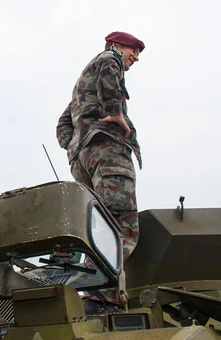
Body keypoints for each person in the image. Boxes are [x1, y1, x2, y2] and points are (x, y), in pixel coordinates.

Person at [56, 31, 145, 262]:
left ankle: (89, 286)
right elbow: (108, 64)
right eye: (132, 50)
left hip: (83, 159)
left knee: (95, 225)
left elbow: (63, 122)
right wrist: (115, 113)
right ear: (115, 45)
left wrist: (74, 147)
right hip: (107, 152)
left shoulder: (83, 85)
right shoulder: (108, 59)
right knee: (118, 227)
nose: (136, 57)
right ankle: (103, 296)